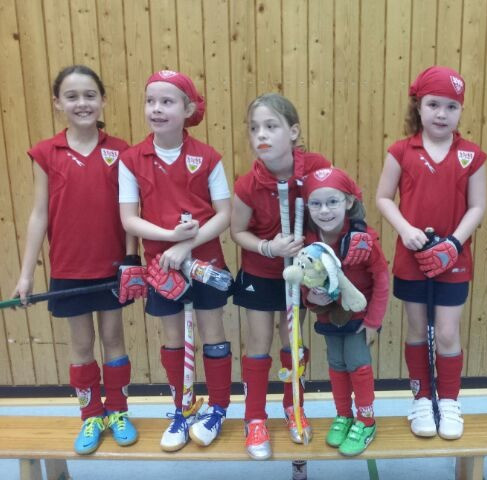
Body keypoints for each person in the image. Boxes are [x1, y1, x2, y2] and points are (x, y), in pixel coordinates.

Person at [12, 65, 143, 454]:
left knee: (113, 338)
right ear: (57, 103)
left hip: (112, 267)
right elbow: (39, 215)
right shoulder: (46, 153)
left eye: (90, 95)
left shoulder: (121, 151)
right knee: (82, 344)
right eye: (72, 96)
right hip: (69, 268)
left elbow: (131, 210)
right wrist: (26, 275)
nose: (82, 103)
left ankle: (118, 412)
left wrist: (132, 258)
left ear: (103, 100)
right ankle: (91, 416)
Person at [119, 70, 232, 452]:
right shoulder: (131, 159)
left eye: (166, 102)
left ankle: (217, 409)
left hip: (206, 263)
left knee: (212, 333)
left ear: (188, 109)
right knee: (172, 340)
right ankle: (183, 410)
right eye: (150, 101)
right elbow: (129, 219)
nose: (156, 108)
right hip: (161, 266)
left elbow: (223, 214)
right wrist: (171, 240)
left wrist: (187, 246)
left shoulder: (209, 157)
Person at [376, 66, 487, 440]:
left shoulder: (472, 155)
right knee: (417, 329)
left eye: (451, 106)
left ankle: (450, 401)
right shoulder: (400, 151)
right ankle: (422, 399)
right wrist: (406, 230)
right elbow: (383, 198)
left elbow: (478, 206)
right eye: (433, 104)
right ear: (418, 106)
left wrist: (454, 243)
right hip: (413, 257)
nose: (442, 114)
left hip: (455, 259)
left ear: (460, 111)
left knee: (447, 332)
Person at [230, 93, 331, 460]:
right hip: (261, 271)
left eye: (271, 126)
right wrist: (269, 248)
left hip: (300, 274)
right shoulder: (247, 184)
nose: (261, 134)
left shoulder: (317, 169)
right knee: (259, 342)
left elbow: (332, 210)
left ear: (293, 132)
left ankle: (294, 405)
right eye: (254, 128)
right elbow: (237, 232)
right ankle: (254, 417)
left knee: (293, 340)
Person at [301, 167, 389, 456]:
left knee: (358, 365)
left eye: (332, 202)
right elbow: (304, 281)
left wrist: (373, 321)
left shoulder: (364, 238)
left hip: (359, 319)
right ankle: (343, 415)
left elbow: (382, 279)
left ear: (349, 202)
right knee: (336, 365)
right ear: (307, 206)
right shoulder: (308, 242)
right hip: (328, 317)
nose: (324, 210)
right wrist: (310, 297)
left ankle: (366, 420)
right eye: (316, 203)